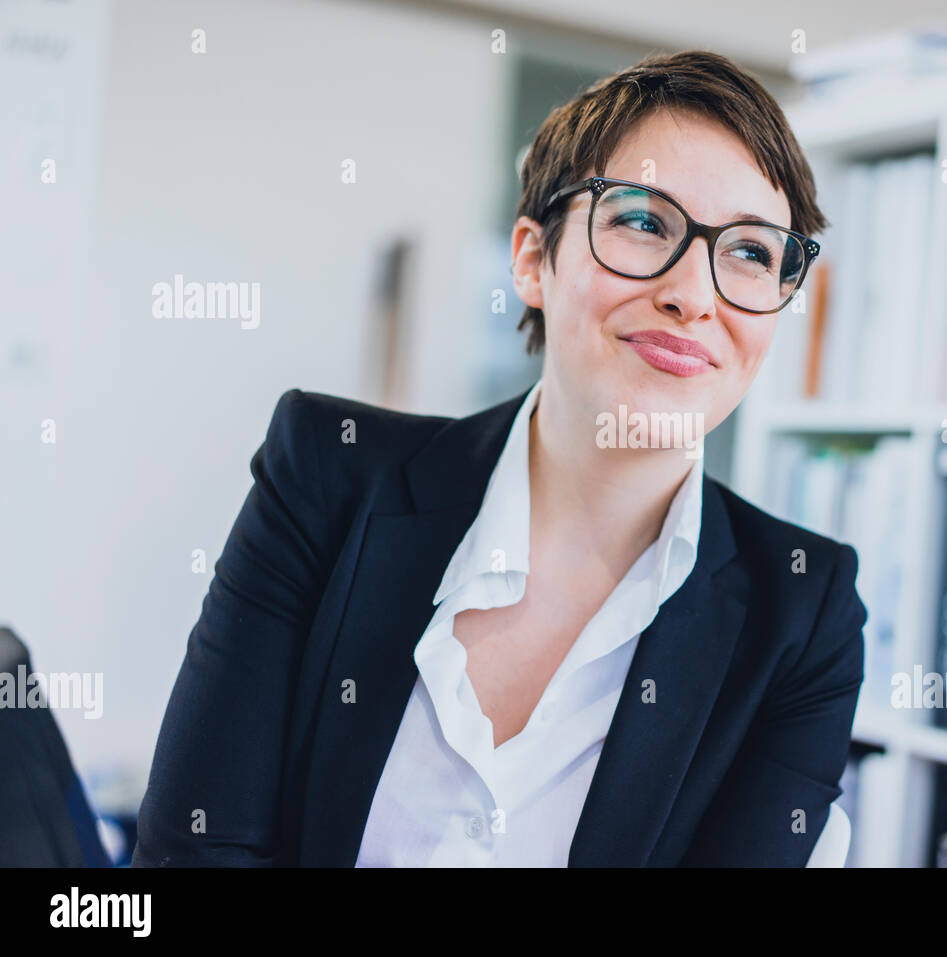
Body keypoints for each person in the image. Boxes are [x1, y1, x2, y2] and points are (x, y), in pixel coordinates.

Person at [132, 49, 867, 867]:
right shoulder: (324, 477)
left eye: (752, 252)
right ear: (530, 259)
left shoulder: (804, 613)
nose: (693, 293)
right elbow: (192, 854)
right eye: (643, 221)